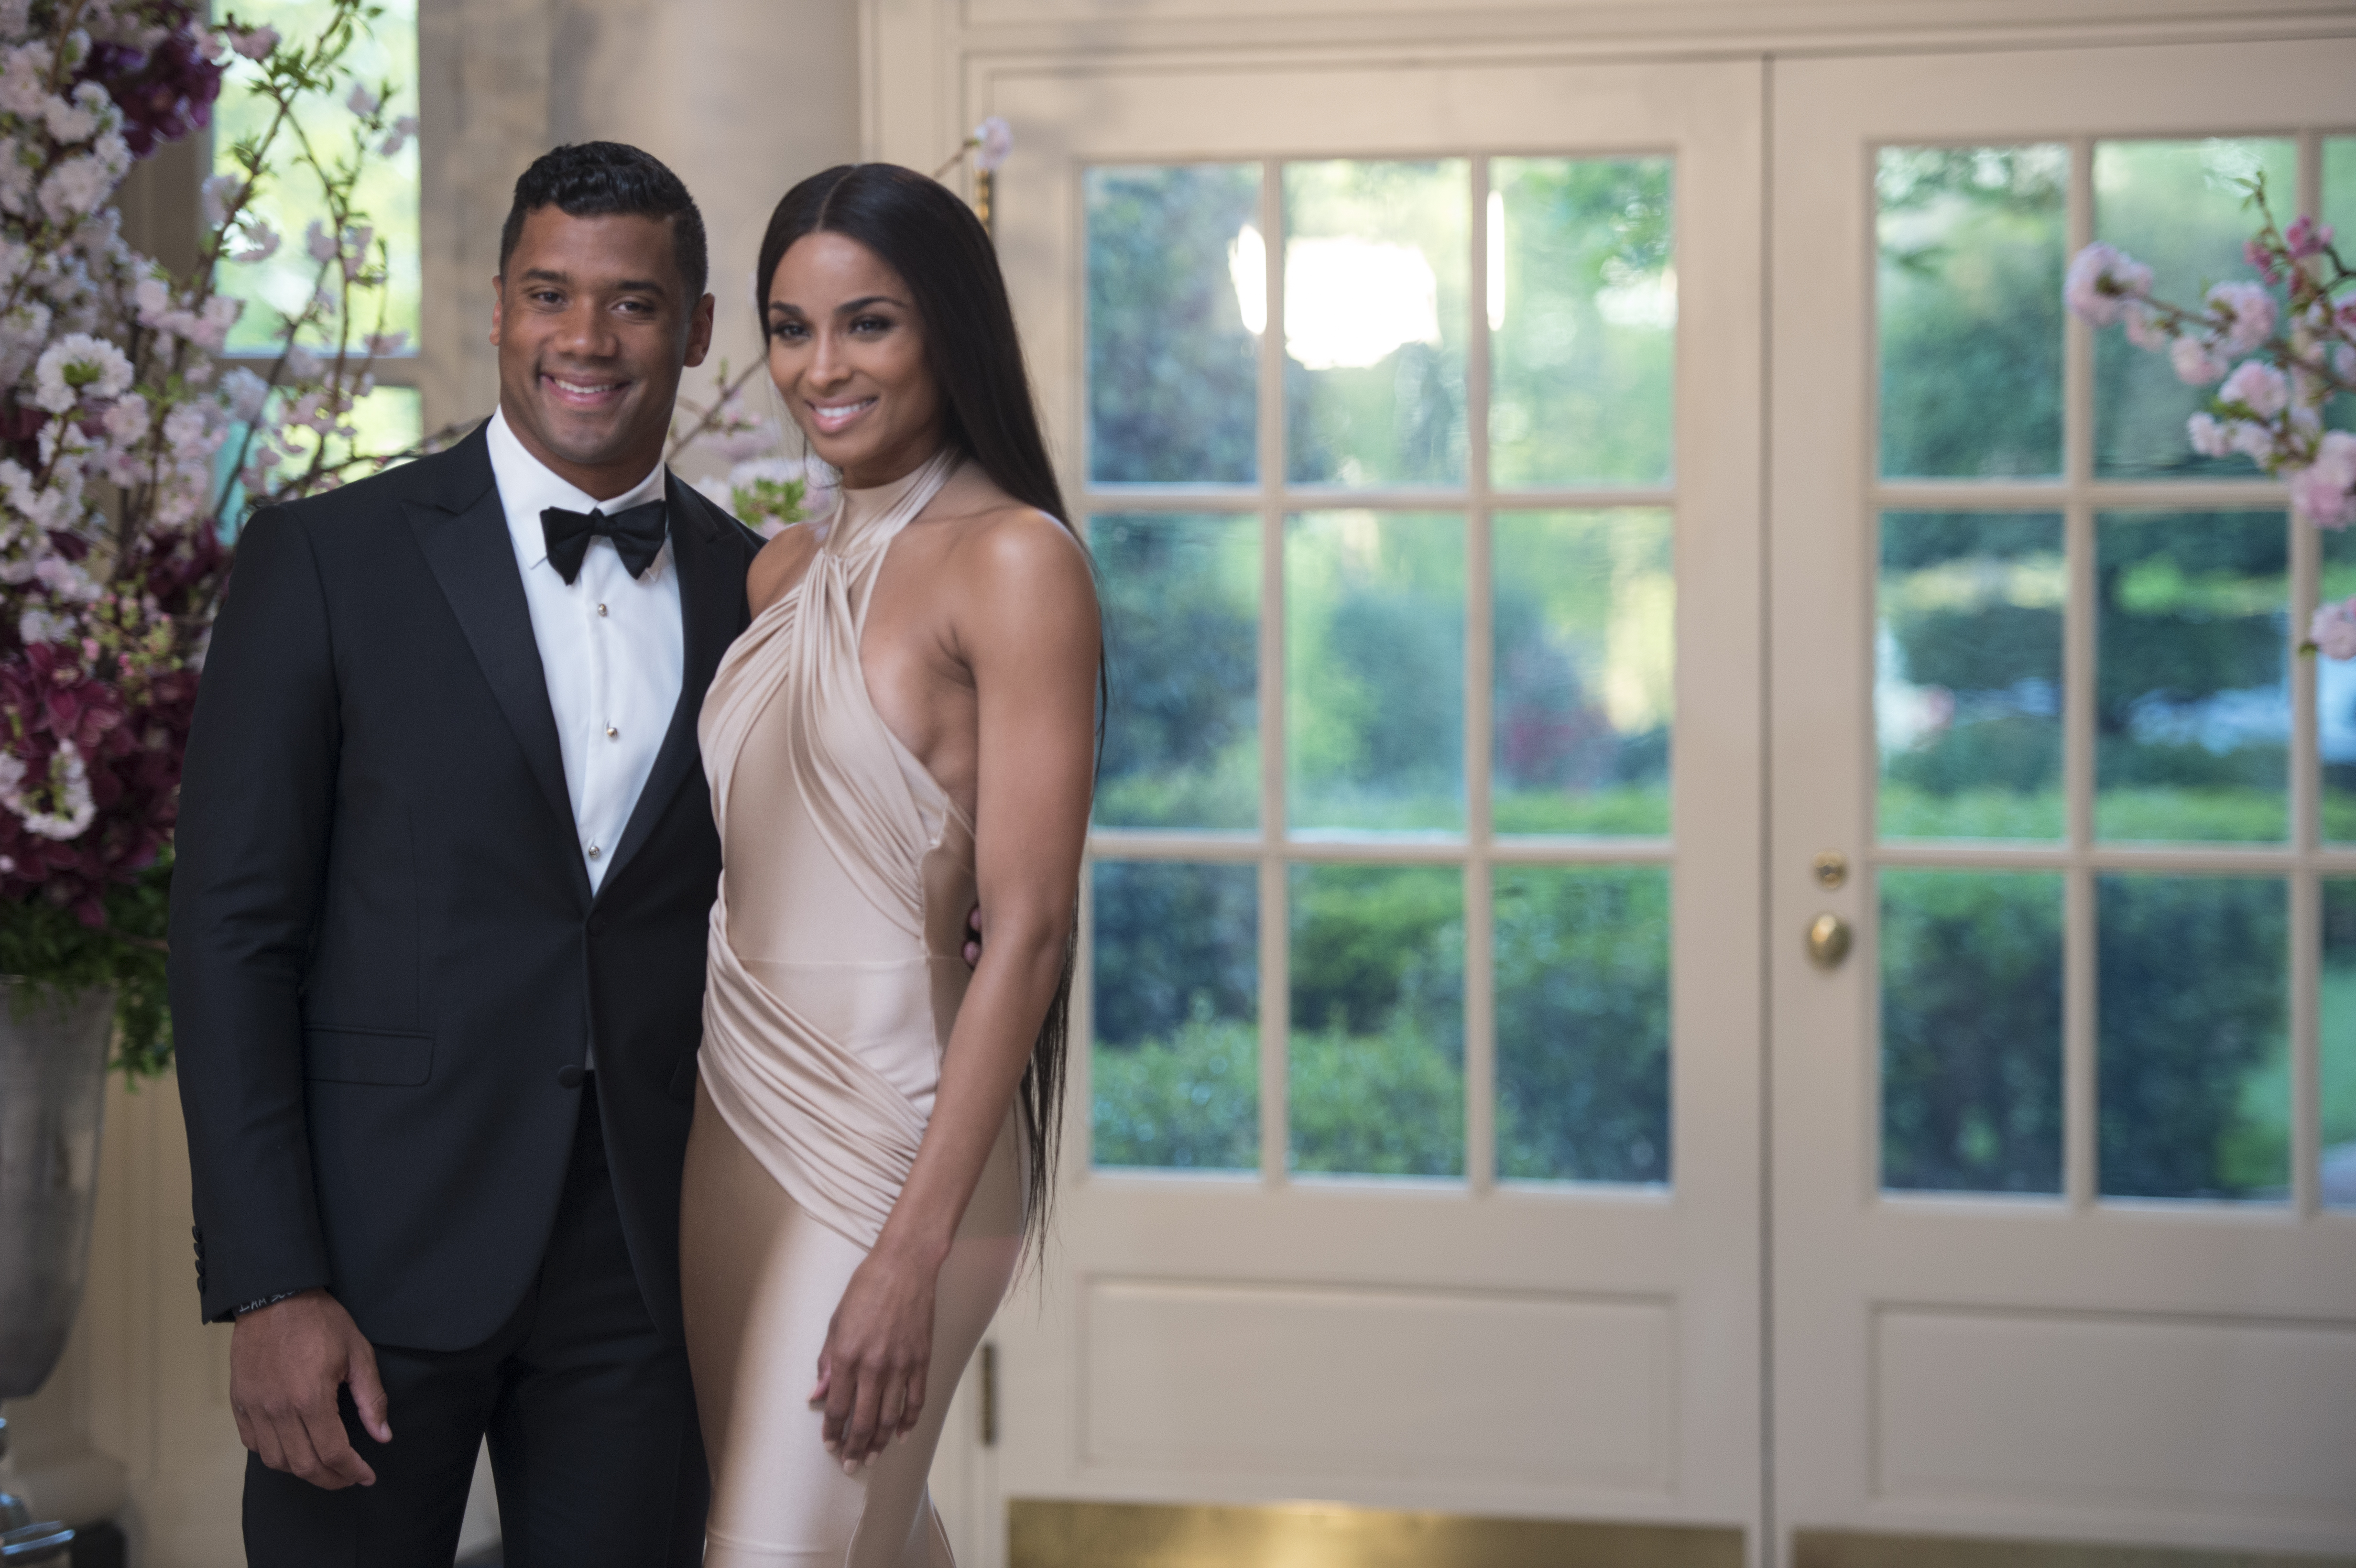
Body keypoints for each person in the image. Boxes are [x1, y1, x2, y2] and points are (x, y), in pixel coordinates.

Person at [170, 141, 759, 1567]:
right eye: (551, 293)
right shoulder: (324, 559)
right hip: (366, 1267)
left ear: (696, 329)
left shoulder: (759, 589)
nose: (586, 338)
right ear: (497, 305)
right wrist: (271, 1287)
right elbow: (231, 934)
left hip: (644, 1272)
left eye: (632, 302)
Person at [681, 162, 1100, 1566]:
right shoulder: (779, 571)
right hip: (729, 1124)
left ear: (949, 332)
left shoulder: (1016, 562)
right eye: (790, 328)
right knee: (858, 1533)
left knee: (777, 1548)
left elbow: (1030, 930)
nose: (820, 367)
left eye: (869, 324)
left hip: (899, 1145)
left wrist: (913, 1255)